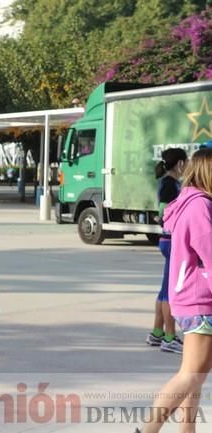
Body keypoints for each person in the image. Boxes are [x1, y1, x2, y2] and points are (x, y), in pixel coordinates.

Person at [136, 148, 212, 433]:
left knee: (194, 375)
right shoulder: (200, 206)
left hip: (192, 298)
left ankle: (186, 430)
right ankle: (148, 430)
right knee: (190, 376)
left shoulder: (189, 202)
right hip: (201, 301)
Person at [145, 148, 188, 354]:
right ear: (180, 163)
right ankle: (170, 337)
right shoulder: (170, 184)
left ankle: (157, 332)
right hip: (171, 240)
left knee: (164, 289)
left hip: (167, 240)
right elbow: (163, 210)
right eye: (186, 162)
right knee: (170, 291)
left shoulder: (170, 182)